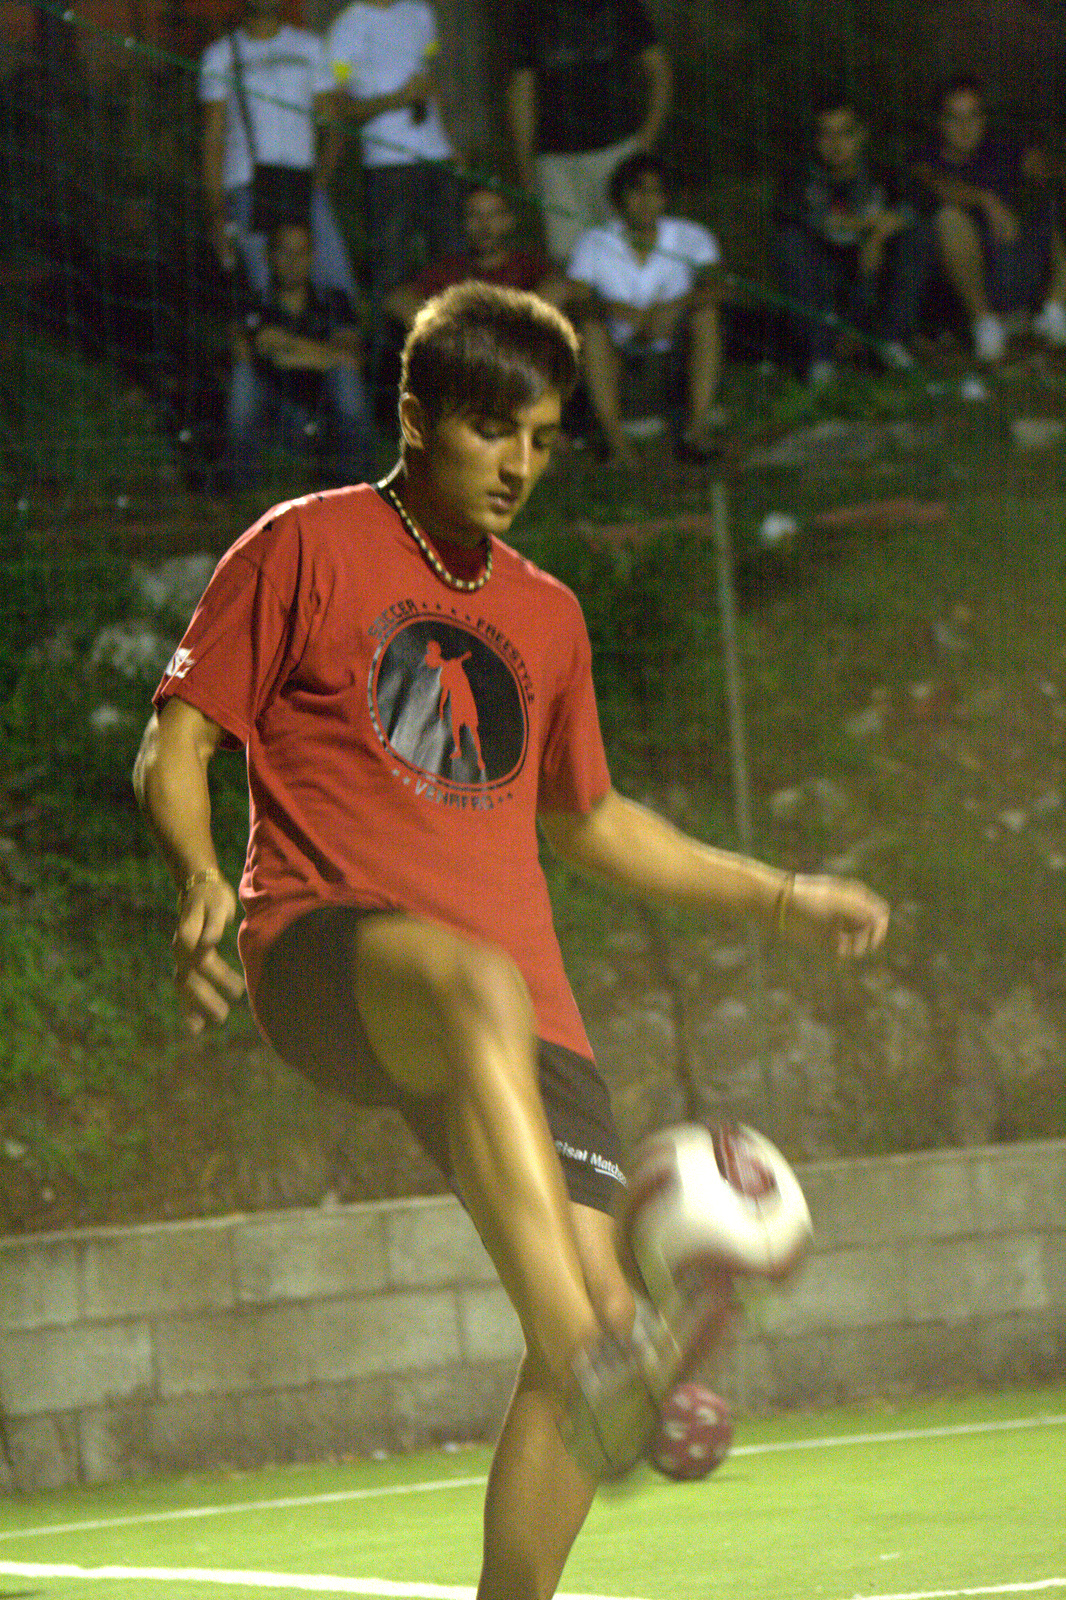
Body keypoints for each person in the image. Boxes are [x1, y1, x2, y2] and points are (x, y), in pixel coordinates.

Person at [133, 283, 889, 1600]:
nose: (520, 466)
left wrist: (779, 893)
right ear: (416, 418)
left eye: (541, 438)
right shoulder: (301, 545)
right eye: (493, 432)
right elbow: (178, 739)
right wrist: (200, 873)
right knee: (586, 1318)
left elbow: (591, 824)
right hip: (329, 955)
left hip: (518, 1012)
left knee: (568, 1350)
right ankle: (599, 1348)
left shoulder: (545, 616)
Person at [327, 0, 462, 386]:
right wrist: (396, 99)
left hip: (435, 156)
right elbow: (341, 108)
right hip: (387, 164)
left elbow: (431, 79)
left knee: (451, 264)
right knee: (392, 274)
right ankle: (394, 378)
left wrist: (451, 145)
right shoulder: (349, 25)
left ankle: (456, 371)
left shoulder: (419, 12)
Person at [565, 151, 725, 468]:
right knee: (589, 328)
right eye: (636, 191)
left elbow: (717, 285)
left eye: (655, 192)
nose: (645, 202)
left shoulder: (691, 236)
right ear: (620, 197)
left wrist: (674, 308)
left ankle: (698, 428)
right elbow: (578, 297)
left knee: (707, 315)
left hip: (676, 344)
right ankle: (618, 446)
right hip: (619, 347)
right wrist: (612, 308)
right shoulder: (595, 241)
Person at [199, 0, 357, 301]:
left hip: (303, 183)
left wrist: (320, 180)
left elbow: (332, 122)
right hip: (249, 186)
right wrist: (216, 212)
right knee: (267, 292)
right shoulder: (220, 55)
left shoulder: (309, 46)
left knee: (335, 283)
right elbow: (212, 136)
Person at [772, 95, 932, 385]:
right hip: (826, 276)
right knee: (789, 243)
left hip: (876, 275)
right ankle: (819, 358)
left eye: (845, 133)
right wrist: (866, 227)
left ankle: (891, 341)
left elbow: (921, 202)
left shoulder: (882, 171)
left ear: (861, 135)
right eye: (826, 134)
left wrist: (880, 235)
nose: (836, 144)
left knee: (916, 235)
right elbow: (797, 216)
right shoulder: (801, 177)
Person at [505, 0, 672, 264]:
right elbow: (522, 91)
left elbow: (658, 70)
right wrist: (526, 163)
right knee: (568, 259)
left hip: (617, 151)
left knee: (623, 252)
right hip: (557, 159)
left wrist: (647, 137)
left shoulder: (622, 7)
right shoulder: (530, 11)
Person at [913, 74, 1066, 362]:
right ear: (940, 121)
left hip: (1017, 264)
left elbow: (1045, 167)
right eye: (954, 117)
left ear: (984, 119)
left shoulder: (1003, 149)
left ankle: (1055, 310)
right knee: (949, 219)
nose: (965, 126)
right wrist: (986, 200)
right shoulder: (925, 158)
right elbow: (936, 184)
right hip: (967, 290)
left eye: (973, 116)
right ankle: (986, 326)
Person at [225, 218, 374, 490]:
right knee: (242, 377)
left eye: (301, 252)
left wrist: (289, 348)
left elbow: (351, 358)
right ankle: (243, 484)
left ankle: (353, 481)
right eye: (284, 251)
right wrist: (323, 356)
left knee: (347, 379)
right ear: (269, 255)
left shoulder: (333, 301)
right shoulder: (253, 303)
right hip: (274, 414)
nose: (293, 260)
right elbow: (246, 351)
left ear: (312, 256)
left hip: (323, 411)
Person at [384, 179, 567, 329]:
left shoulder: (528, 264)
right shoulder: (450, 267)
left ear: (509, 221)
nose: (484, 225)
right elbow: (398, 299)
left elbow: (562, 289)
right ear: (463, 222)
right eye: (474, 215)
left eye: (493, 215)